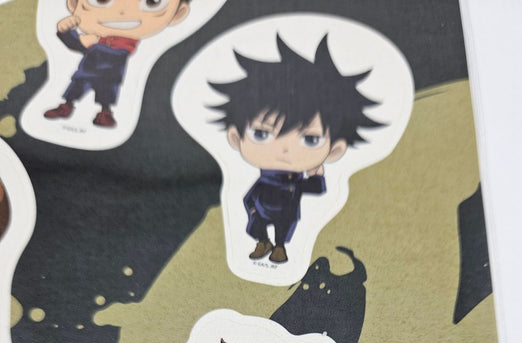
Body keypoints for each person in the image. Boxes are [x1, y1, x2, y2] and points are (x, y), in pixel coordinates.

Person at [209, 35, 383, 263]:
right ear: (235, 138)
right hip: (261, 201)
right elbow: (249, 196)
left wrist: (316, 176)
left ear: (334, 150)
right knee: (256, 222)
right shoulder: (262, 180)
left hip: (287, 204)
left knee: (283, 225)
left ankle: (279, 247)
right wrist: (250, 206)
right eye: (261, 134)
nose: (284, 150)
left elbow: (315, 189)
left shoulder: (294, 182)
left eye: (310, 139)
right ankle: (263, 242)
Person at [44, 0, 192, 128]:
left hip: (110, 74)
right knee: (76, 88)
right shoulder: (95, 37)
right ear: (74, 3)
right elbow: (77, 44)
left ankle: (105, 113)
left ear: (177, 14)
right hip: (87, 71)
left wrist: (94, 44)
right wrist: (64, 31)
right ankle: (66, 106)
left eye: (152, 2)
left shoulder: (124, 40)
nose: (122, 11)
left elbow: (120, 52)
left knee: (107, 93)